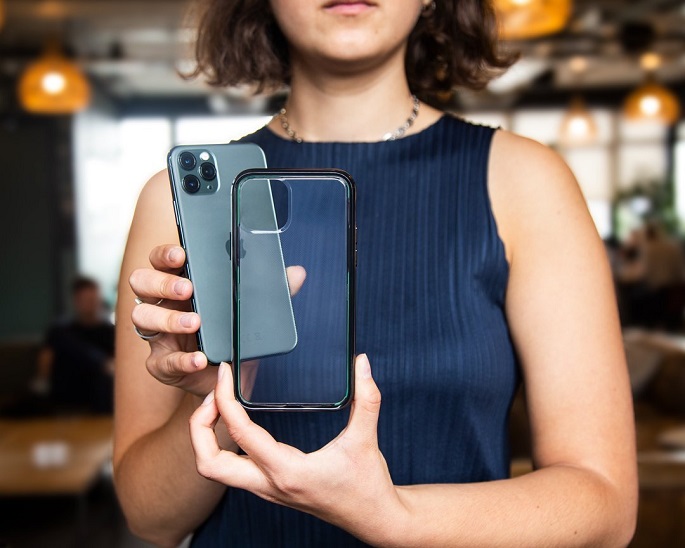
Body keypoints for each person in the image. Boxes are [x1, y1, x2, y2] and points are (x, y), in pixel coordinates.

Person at [114, 0, 638, 545]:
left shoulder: (526, 182)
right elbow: (150, 517)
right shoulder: (178, 203)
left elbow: (606, 507)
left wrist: (392, 516)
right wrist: (222, 398)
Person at [34, 276, 114, 413]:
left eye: (93, 299)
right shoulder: (61, 331)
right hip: (67, 391)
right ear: (76, 301)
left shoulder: (109, 331)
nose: (91, 304)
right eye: (86, 300)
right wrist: (43, 380)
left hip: (100, 393)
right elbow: (46, 358)